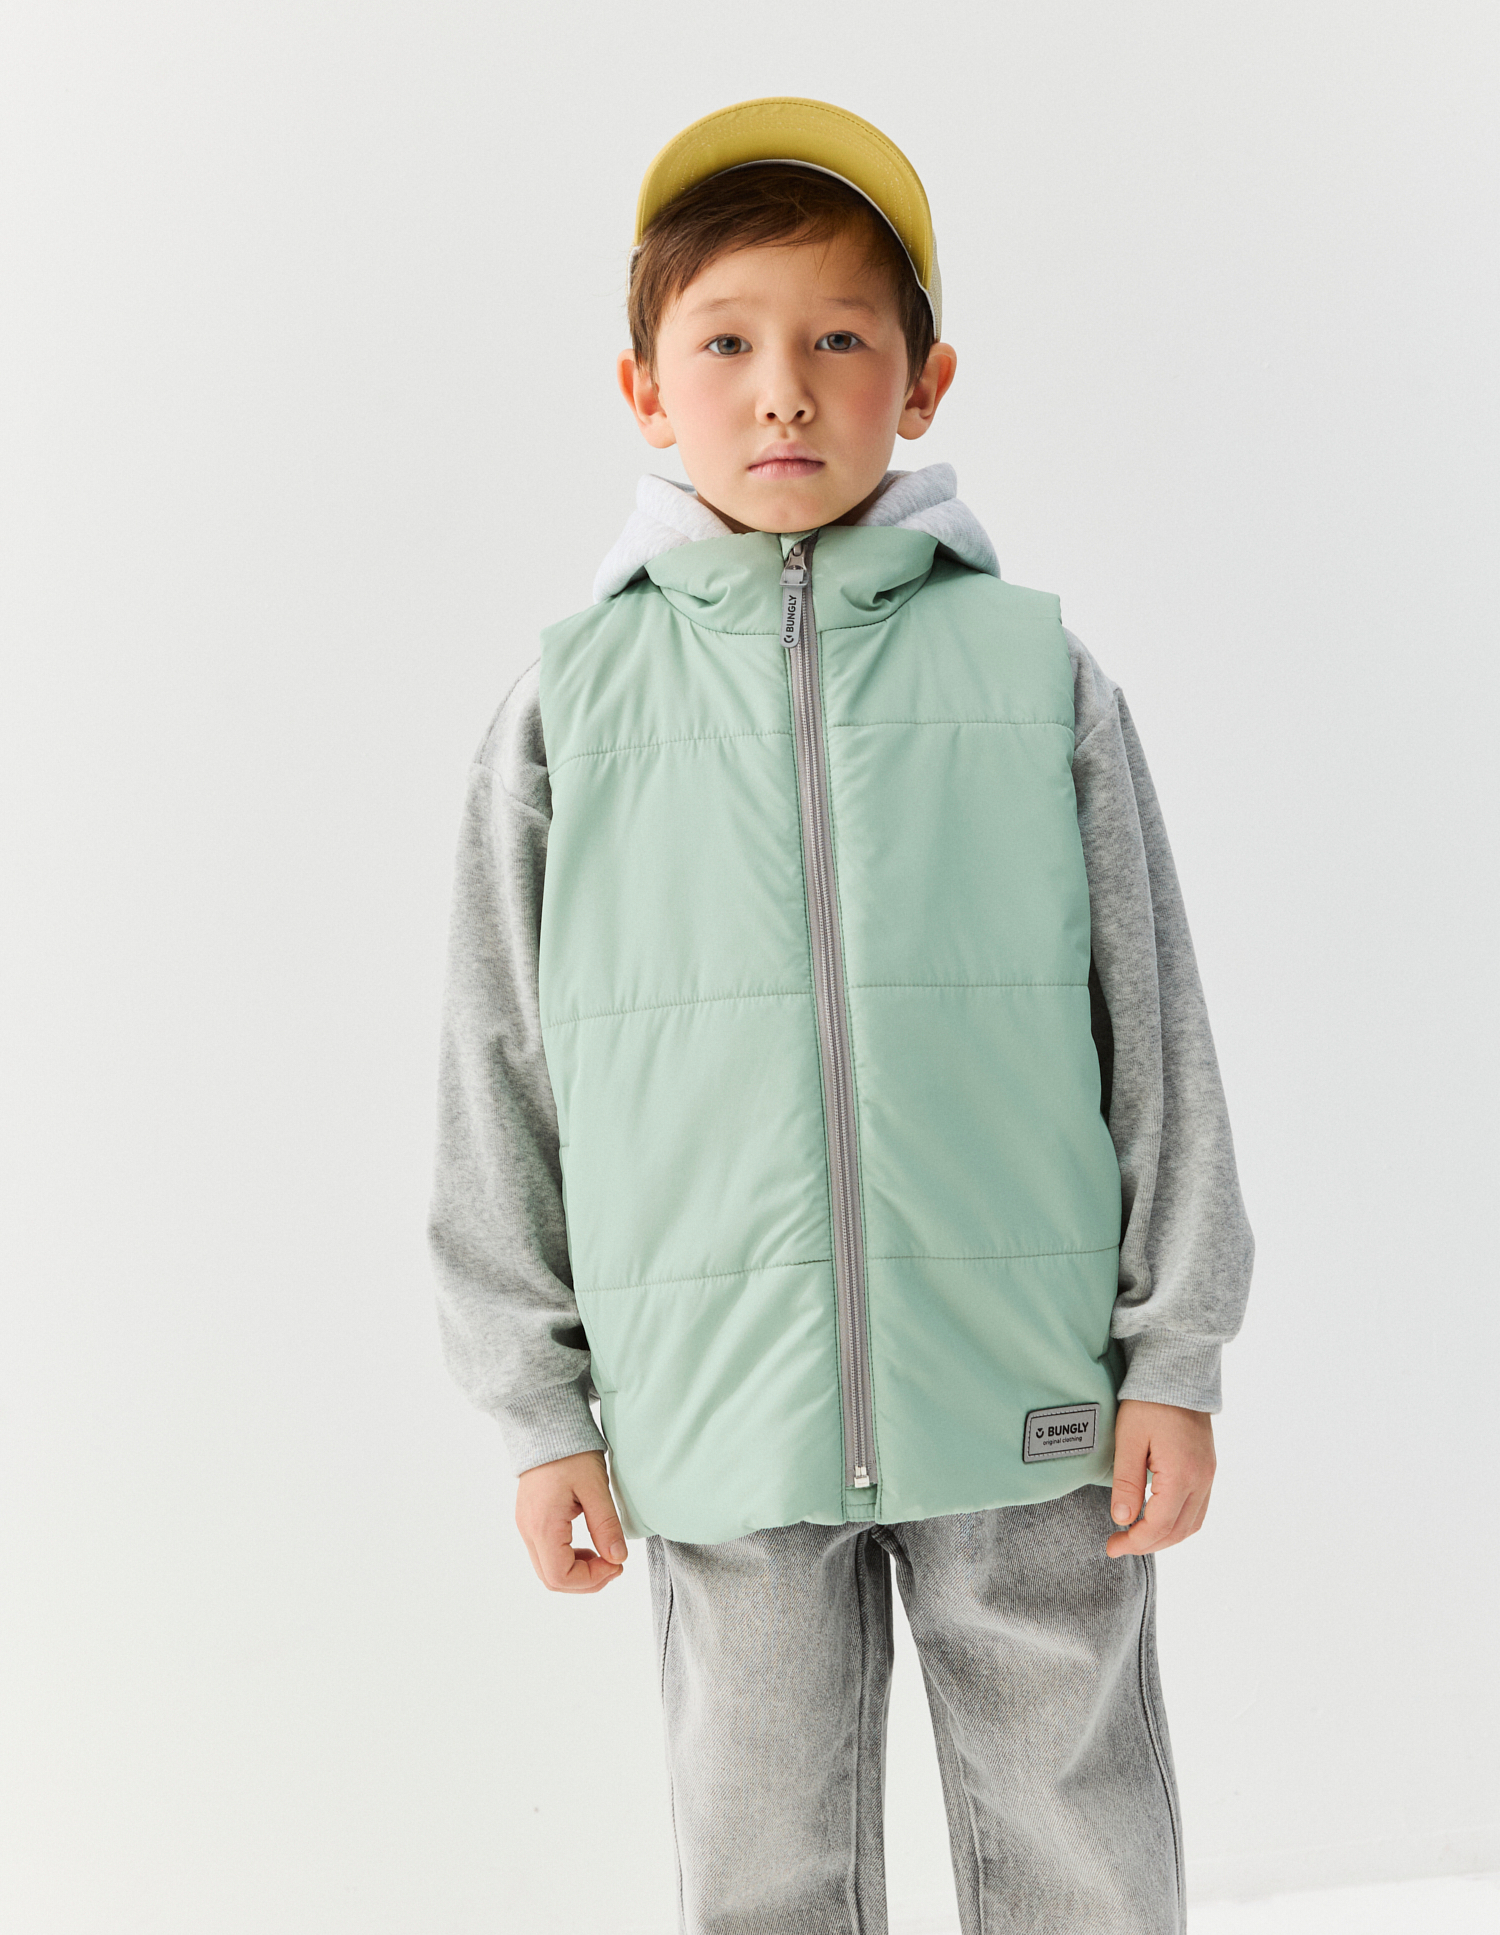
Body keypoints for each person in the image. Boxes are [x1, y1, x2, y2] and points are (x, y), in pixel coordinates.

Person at [427, 96, 1254, 1935]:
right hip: (712, 1396)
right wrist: (537, 1406)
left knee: (1076, 1828)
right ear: (644, 389)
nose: (783, 392)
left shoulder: (1036, 679)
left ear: (925, 380)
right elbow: (500, 1070)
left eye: (839, 341)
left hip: (1026, 1378)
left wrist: (1174, 1353)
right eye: (725, 343)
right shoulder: (570, 711)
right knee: (760, 1852)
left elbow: (1158, 1036)